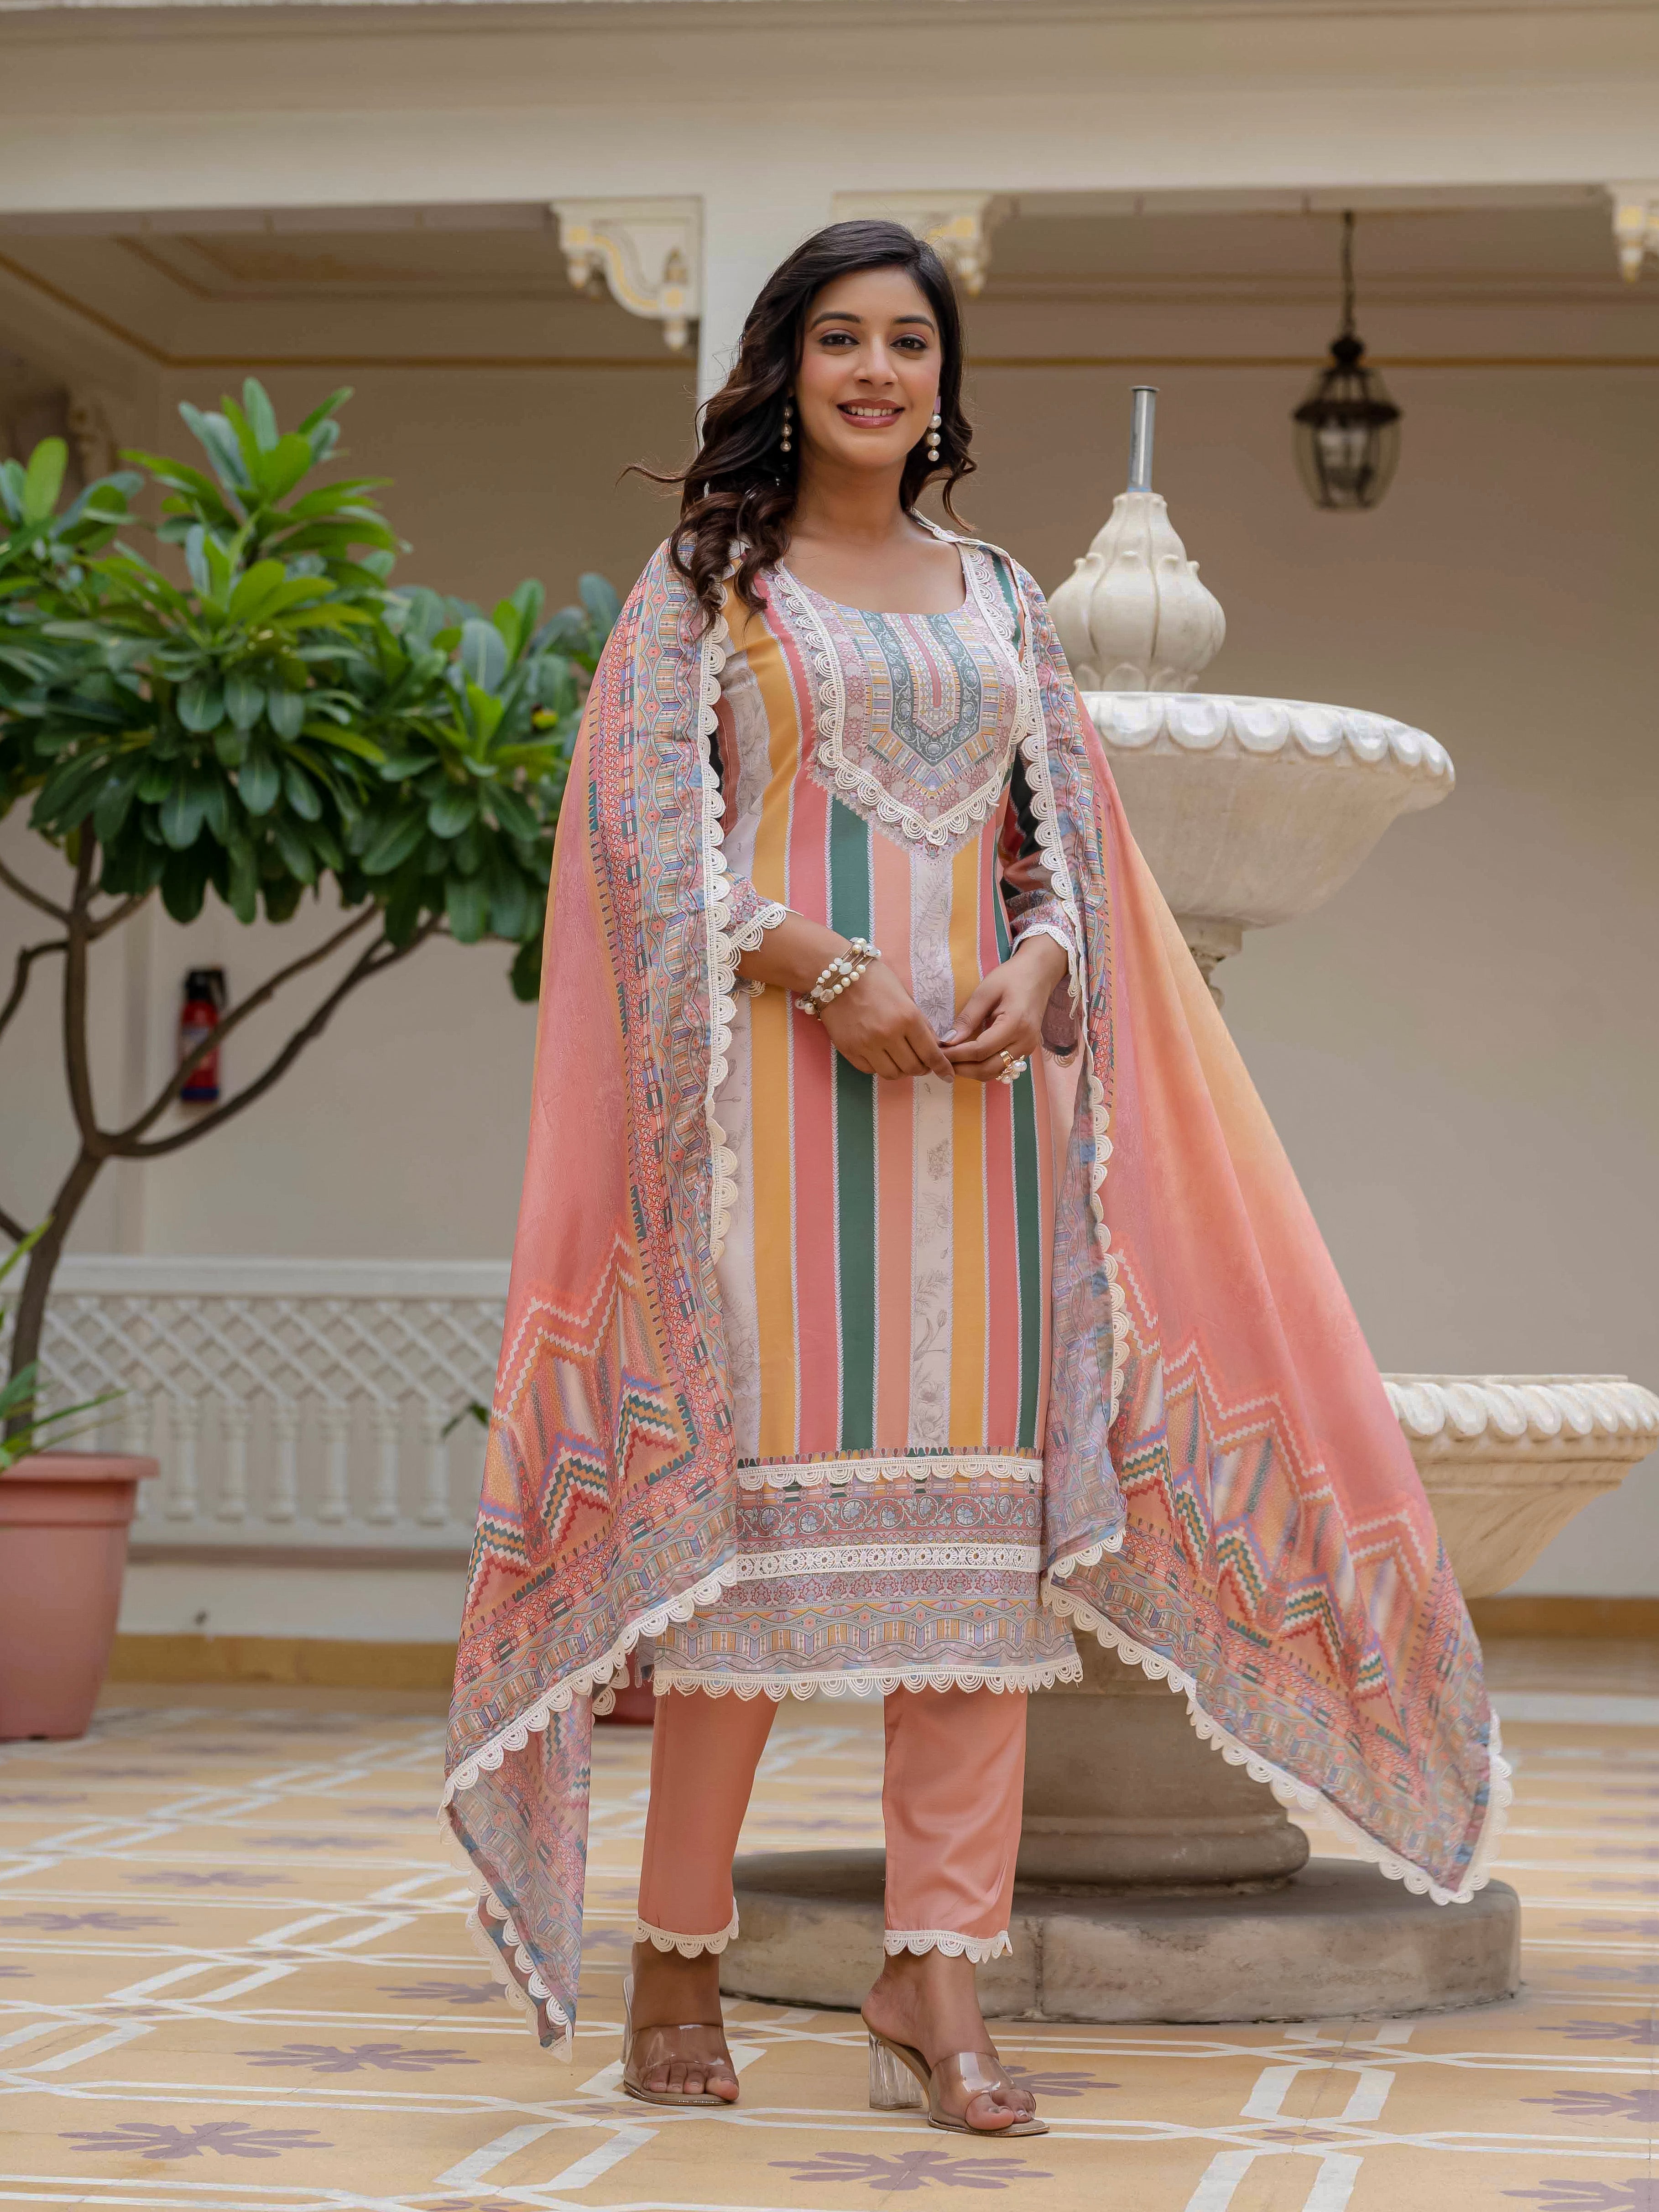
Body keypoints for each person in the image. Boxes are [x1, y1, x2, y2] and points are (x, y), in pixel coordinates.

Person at [442, 222, 1506, 2139]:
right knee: (748, 1567)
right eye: (839, 339)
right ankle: (678, 1953)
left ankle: (937, 1972)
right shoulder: (710, 592)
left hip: (987, 1137)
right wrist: (819, 971)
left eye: (907, 342)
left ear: (945, 377)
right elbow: (633, 853)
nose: (875, 371)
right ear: (786, 366)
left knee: (981, 1592)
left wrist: (1046, 959)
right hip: (771, 1134)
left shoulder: (1005, 598)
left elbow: (1061, 854)